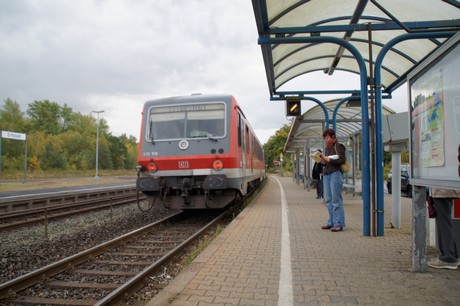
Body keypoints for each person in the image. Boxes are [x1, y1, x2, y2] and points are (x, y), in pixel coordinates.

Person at [319, 128, 346, 232]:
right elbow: (327, 163)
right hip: (327, 174)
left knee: (336, 199)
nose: (326, 139)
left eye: (327, 137)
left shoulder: (339, 146)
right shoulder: (327, 148)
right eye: (325, 137)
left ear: (333, 136)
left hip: (335, 173)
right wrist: (322, 161)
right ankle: (331, 222)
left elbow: (342, 160)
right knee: (328, 200)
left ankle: (339, 223)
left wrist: (329, 159)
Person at [427, 187, 460, 270]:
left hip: (442, 191)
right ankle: (452, 255)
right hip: (445, 190)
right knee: (445, 220)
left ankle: (448, 257)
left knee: (443, 221)